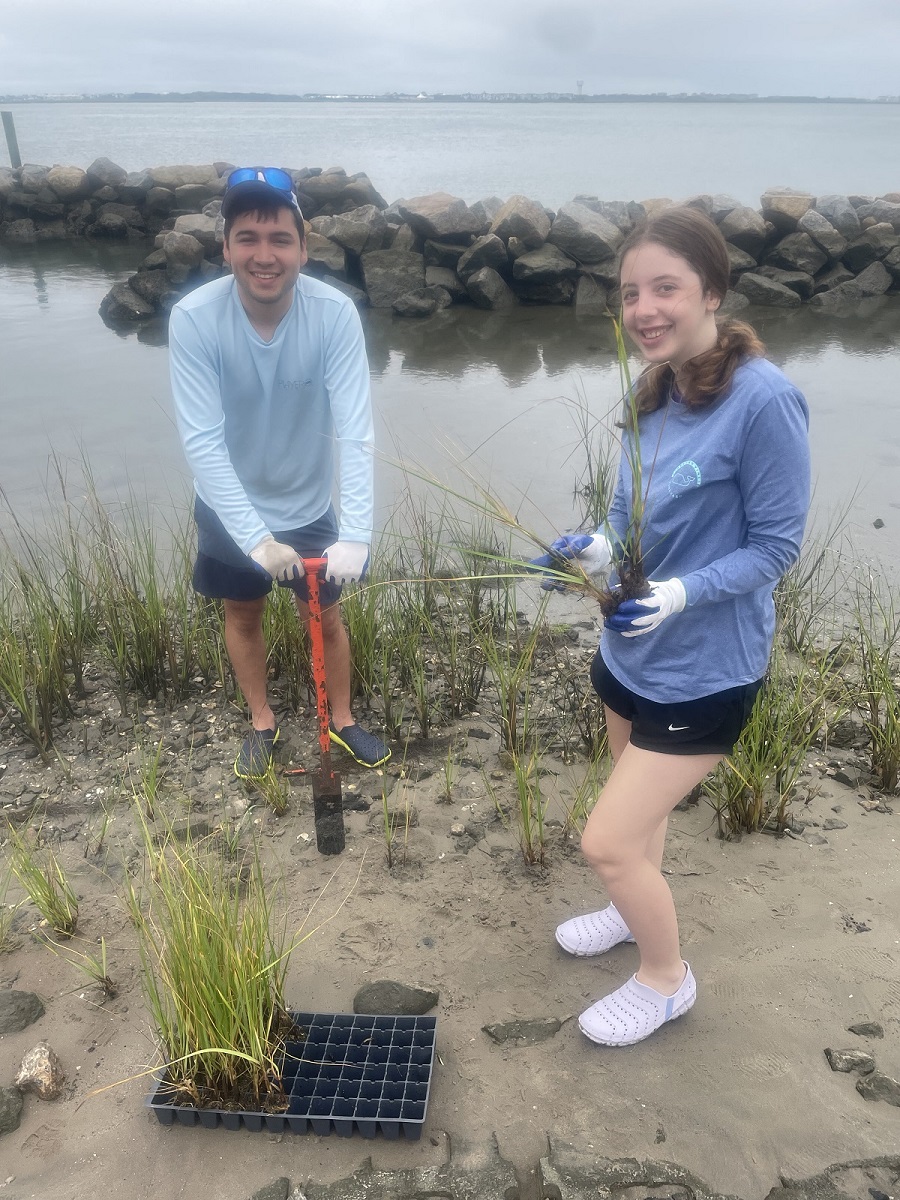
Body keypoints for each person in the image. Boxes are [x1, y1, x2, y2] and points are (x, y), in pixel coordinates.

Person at [544, 205, 810, 1046]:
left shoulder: (764, 400)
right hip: (629, 654)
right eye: (631, 293)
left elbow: (776, 547)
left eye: (665, 288)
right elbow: (630, 520)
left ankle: (667, 979)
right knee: (636, 815)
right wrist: (597, 549)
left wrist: (686, 593)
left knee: (606, 842)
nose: (645, 309)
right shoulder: (650, 389)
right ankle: (631, 913)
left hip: (708, 669)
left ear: (712, 292)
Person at [169, 166, 390, 777]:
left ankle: (342, 720)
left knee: (325, 614)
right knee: (242, 613)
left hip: (309, 499)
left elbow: (355, 430)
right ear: (226, 247)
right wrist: (255, 540)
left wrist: (359, 534)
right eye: (248, 238)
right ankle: (262, 722)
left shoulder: (335, 314)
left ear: (303, 245)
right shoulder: (193, 319)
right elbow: (202, 442)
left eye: (279, 239)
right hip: (227, 504)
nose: (263, 256)